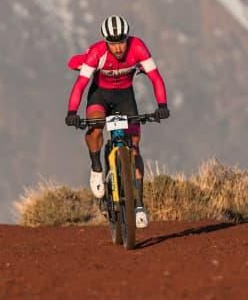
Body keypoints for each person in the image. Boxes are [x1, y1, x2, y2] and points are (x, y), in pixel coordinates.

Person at [65, 15, 170, 228]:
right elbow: (80, 84)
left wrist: (162, 106)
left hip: (125, 98)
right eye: (113, 44)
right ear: (106, 42)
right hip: (100, 96)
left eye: (122, 42)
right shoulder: (96, 53)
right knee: (96, 126)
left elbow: (156, 77)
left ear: (127, 38)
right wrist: (72, 112)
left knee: (134, 149)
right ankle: (97, 168)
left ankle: (138, 205)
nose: (119, 48)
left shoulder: (138, 47)